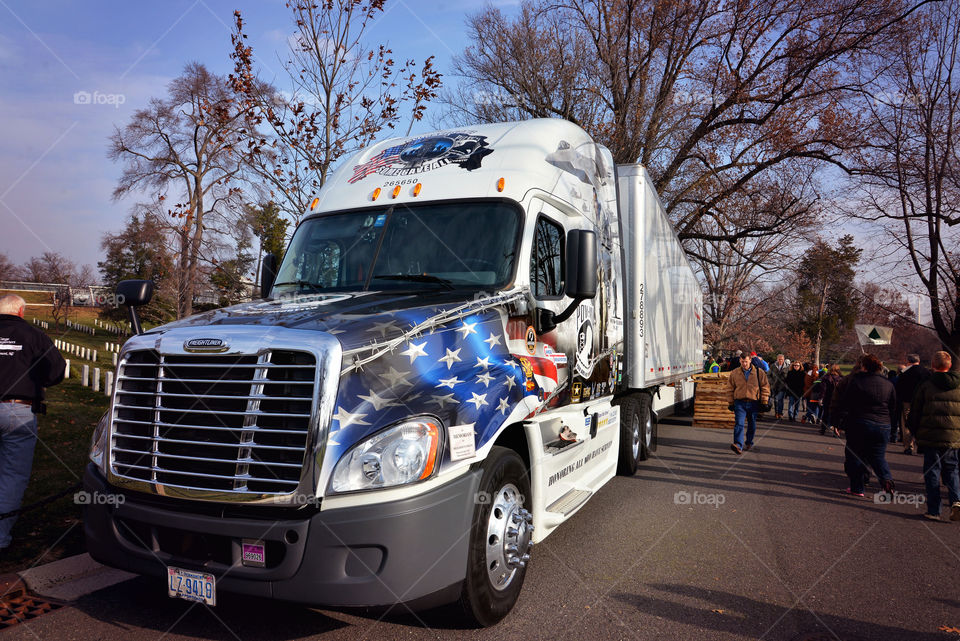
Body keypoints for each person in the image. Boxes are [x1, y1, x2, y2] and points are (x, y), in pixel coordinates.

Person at [0, 295, 66, 551]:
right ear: (21, 311)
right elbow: (55, 372)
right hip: (19, 409)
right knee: (12, 476)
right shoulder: (34, 336)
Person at [830, 353, 897, 498]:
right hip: (883, 424)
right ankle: (886, 479)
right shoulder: (888, 384)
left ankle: (857, 487)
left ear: (863, 366)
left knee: (855, 456)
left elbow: (845, 403)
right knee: (878, 456)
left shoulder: (856, 381)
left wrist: (838, 422)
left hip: (860, 423)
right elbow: (893, 407)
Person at [906, 351, 960, 522]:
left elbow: (915, 411)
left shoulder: (926, 384)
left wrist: (913, 431)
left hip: (930, 435)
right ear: (949, 365)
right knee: (952, 471)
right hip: (953, 436)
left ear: (933, 365)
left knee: (932, 473)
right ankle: (956, 501)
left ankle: (934, 510)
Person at [727, 352, 770, 454]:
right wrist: (730, 402)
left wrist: (764, 400)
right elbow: (729, 388)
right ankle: (738, 445)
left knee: (752, 423)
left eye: (746, 361)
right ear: (739, 361)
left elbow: (765, 387)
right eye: (742, 362)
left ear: (750, 360)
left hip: (753, 402)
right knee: (739, 424)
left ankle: (749, 442)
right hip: (739, 402)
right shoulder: (734, 373)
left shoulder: (759, 372)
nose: (744, 364)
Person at [894, 354, 930, 454]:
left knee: (906, 425)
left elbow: (899, 388)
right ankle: (922, 445)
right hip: (923, 401)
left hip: (907, 401)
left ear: (908, 361)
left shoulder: (905, 373)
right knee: (922, 423)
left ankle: (908, 446)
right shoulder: (926, 372)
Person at [820, 364, 843, 435]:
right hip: (837, 399)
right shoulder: (841, 379)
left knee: (825, 414)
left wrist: (821, 398)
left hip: (827, 398)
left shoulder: (826, 378)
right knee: (836, 415)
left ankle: (823, 429)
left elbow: (823, 389)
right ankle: (835, 430)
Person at [768, 354, 789, 419]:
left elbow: (789, 377)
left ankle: (780, 413)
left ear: (784, 359)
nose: (780, 361)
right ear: (777, 359)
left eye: (782, 359)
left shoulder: (787, 367)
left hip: (782, 386)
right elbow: (768, 375)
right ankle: (776, 413)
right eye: (779, 359)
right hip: (774, 386)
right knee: (776, 400)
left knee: (780, 400)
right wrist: (771, 382)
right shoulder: (773, 366)